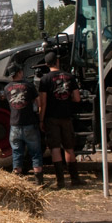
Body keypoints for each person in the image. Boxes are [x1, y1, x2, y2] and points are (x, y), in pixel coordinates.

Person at [38, 51, 83, 189]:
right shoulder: (70, 77)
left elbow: (42, 103)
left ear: (47, 64)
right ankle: (75, 179)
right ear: (57, 61)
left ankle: (60, 181)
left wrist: (41, 120)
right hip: (66, 117)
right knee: (69, 148)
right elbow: (77, 98)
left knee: (55, 149)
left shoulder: (44, 80)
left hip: (51, 118)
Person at [2, 63, 43, 186]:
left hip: (14, 124)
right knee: (35, 152)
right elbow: (39, 102)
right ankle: (39, 181)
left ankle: (17, 181)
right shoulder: (29, 86)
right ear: (20, 72)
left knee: (16, 152)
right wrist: (40, 118)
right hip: (29, 123)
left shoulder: (6, 88)